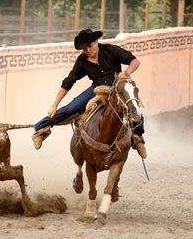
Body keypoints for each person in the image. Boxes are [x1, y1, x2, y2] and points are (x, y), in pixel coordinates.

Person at [31, 28, 147, 158]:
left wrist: (126, 74)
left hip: (117, 88)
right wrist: (54, 105)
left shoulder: (111, 50)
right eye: (84, 48)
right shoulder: (82, 61)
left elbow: (135, 61)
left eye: (89, 46)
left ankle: (137, 138)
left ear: (96, 41)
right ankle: (40, 129)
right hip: (97, 89)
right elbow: (68, 83)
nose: (87, 50)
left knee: (135, 108)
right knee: (72, 107)